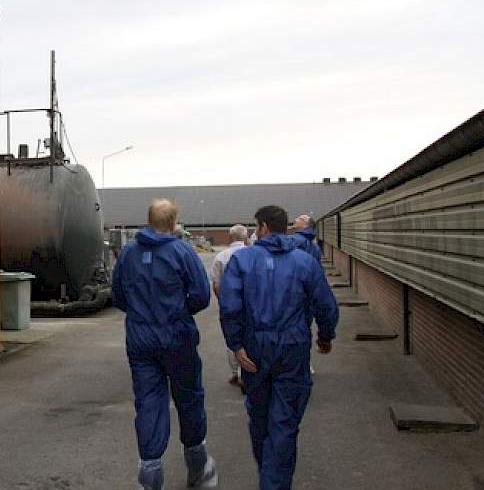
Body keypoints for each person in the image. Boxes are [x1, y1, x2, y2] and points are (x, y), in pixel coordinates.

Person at [218, 206, 339, 490]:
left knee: (260, 416)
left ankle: (270, 477)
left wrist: (236, 345)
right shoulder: (303, 262)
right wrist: (325, 336)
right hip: (292, 347)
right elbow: (324, 303)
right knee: (284, 420)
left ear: (262, 227)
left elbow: (230, 306)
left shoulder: (242, 260)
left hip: (255, 348)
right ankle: (274, 480)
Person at [112, 199, 218, 490]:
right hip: (177, 337)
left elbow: (118, 296)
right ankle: (199, 469)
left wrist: (142, 312)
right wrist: (177, 311)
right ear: (173, 223)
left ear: (148, 220)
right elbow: (201, 295)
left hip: (141, 340)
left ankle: (150, 477)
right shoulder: (182, 251)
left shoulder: (128, 253)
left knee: (148, 403)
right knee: (189, 397)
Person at [209, 224, 250, 388]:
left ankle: (235, 372)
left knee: (232, 337)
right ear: (246, 237)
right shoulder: (252, 254)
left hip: (229, 303)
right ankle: (247, 369)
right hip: (251, 304)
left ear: (230, 237)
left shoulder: (221, 256)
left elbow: (216, 284)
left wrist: (223, 301)